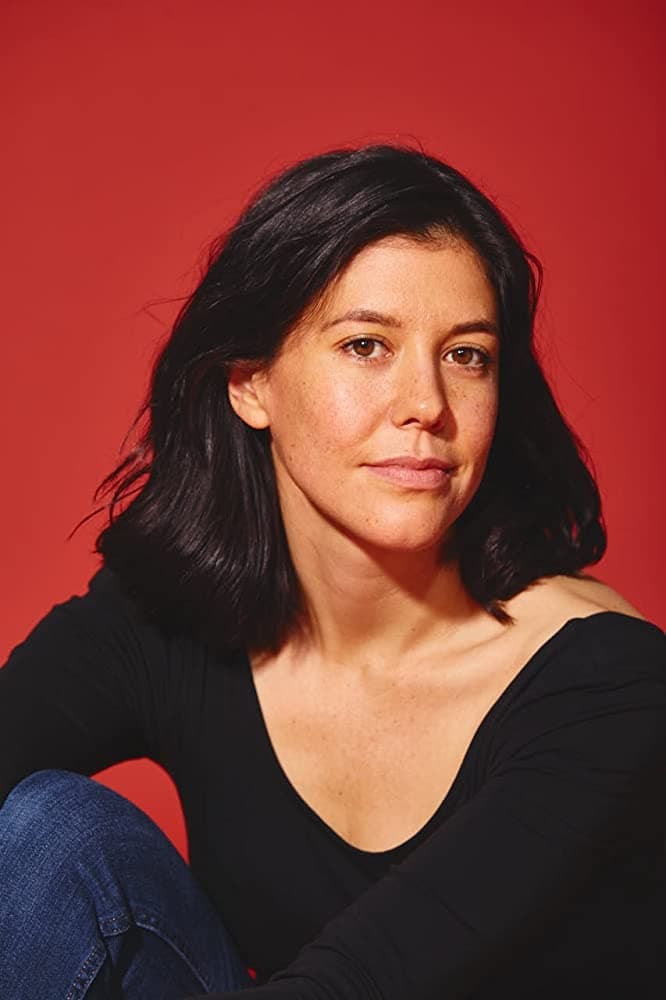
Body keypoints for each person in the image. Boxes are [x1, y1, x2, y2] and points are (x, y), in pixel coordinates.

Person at [0, 143, 664, 1000]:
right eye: (366, 345)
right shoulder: (168, 621)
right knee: (55, 835)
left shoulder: (608, 681)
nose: (427, 404)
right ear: (251, 383)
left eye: (467, 355)